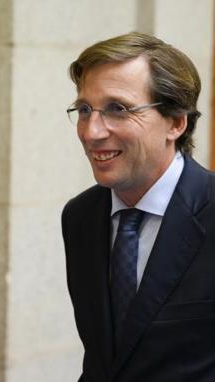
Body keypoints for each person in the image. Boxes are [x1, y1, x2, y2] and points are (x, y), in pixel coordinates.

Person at [62, 31, 215, 381]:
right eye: (85, 110)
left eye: (118, 109)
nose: (92, 132)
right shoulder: (80, 217)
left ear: (176, 122)